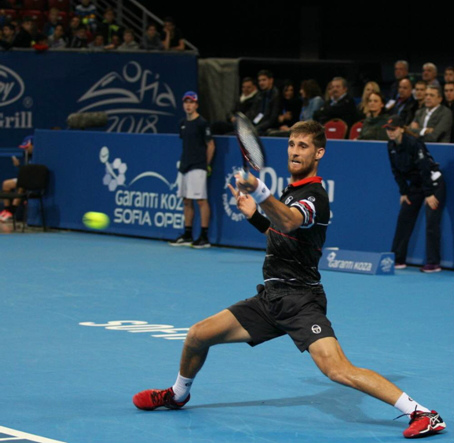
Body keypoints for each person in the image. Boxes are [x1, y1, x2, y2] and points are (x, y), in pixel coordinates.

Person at [133, 120, 446, 440]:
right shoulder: (292, 191)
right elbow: (280, 234)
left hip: (301, 301)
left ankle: (423, 413)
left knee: (337, 369)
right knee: (198, 335)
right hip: (271, 297)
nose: (295, 151)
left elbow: (291, 220)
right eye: (291, 145)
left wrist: (260, 191)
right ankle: (177, 394)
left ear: (319, 152)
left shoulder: (314, 197)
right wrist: (254, 214)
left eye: (304, 146)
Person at [384, 115, 446, 273]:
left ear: (401, 129)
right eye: (388, 130)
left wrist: (429, 193)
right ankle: (397, 259)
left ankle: (433, 263)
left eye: (393, 129)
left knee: (432, 222)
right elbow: (395, 171)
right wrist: (404, 191)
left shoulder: (414, 143)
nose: (390, 132)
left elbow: (424, 168)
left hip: (432, 184)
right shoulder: (390, 146)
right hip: (416, 186)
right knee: (404, 218)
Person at [168, 91, 215, 248]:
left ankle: (204, 236)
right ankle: (188, 235)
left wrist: (206, 164)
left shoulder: (202, 123)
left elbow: (210, 145)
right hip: (184, 166)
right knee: (186, 201)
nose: (188, 105)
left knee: (201, 201)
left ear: (196, 105)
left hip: (198, 166)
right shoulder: (182, 123)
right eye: (186, 102)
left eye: (191, 102)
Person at [0, 135, 34, 223]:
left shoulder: (40, 155)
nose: (25, 149)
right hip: (26, 178)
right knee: (6, 184)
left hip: (34, 181)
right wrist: (18, 166)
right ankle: (7, 210)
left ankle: (12, 212)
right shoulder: (26, 156)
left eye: (27, 147)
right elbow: (25, 171)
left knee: (21, 185)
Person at [250, 69, 281, 136]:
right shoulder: (259, 95)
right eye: (259, 80)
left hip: (269, 128)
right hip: (258, 125)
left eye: (264, 80)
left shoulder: (276, 95)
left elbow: (272, 119)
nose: (261, 83)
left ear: (271, 80)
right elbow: (255, 113)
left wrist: (257, 128)